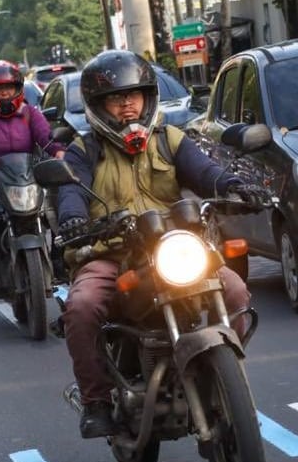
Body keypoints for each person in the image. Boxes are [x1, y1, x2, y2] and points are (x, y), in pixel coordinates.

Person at [54, 50, 266, 438]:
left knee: (235, 292)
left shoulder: (171, 139)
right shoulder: (83, 151)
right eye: (116, 98)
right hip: (112, 253)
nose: (127, 104)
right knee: (81, 307)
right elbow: (70, 191)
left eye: (134, 95)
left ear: (148, 98)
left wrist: (234, 187)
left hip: (173, 247)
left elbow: (206, 173)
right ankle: (96, 400)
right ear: (98, 106)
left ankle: (227, 375)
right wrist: (72, 219)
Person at [0, 60, 65, 292]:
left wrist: (58, 150)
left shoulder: (30, 114)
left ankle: (59, 258)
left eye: (9, 87)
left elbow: (46, 136)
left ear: (18, 88)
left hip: (28, 179)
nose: (5, 93)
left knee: (59, 205)